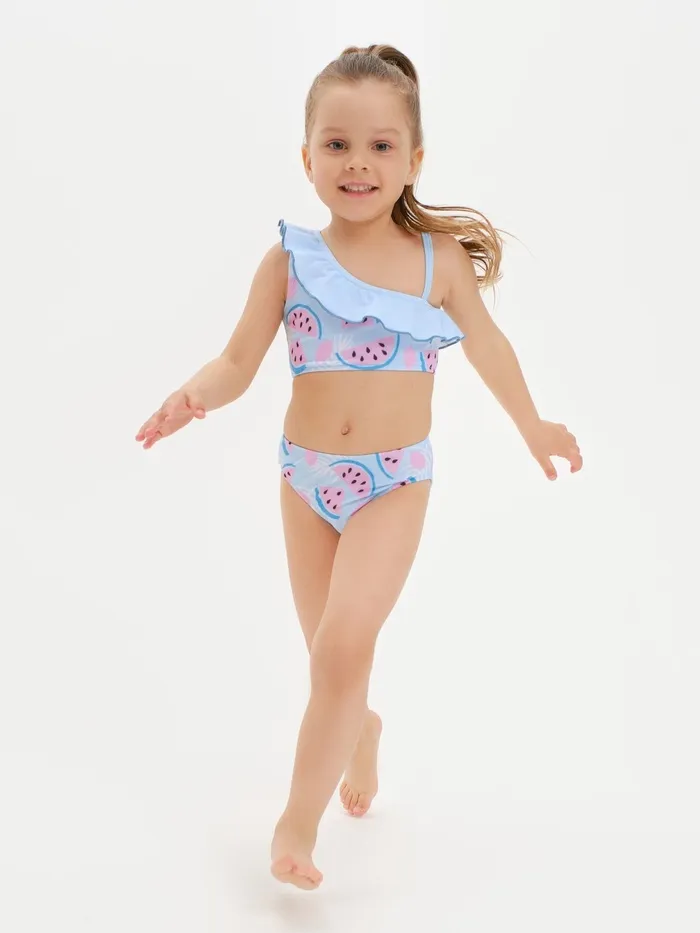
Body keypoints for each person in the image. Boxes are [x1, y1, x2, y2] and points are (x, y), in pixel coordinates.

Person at [135, 44, 583, 891]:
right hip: (304, 480)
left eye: (381, 145)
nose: (357, 163)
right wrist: (191, 396)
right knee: (328, 660)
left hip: (393, 483)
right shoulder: (288, 261)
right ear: (307, 158)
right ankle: (361, 728)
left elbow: (490, 349)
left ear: (415, 160)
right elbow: (236, 362)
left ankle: (296, 825)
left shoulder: (437, 262)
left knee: (344, 647)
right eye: (336, 144)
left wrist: (534, 425)